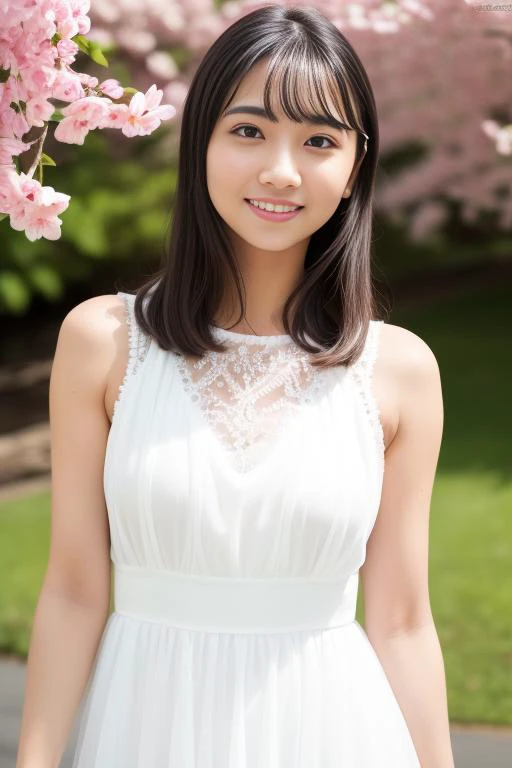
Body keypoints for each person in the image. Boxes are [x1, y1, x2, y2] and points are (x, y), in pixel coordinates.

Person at [16, 4, 455, 767]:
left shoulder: (400, 372)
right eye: (248, 130)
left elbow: (403, 621)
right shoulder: (104, 343)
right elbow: (75, 593)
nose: (281, 170)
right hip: (143, 728)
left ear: (355, 167)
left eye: (319, 140)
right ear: (202, 147)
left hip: (335, 732)